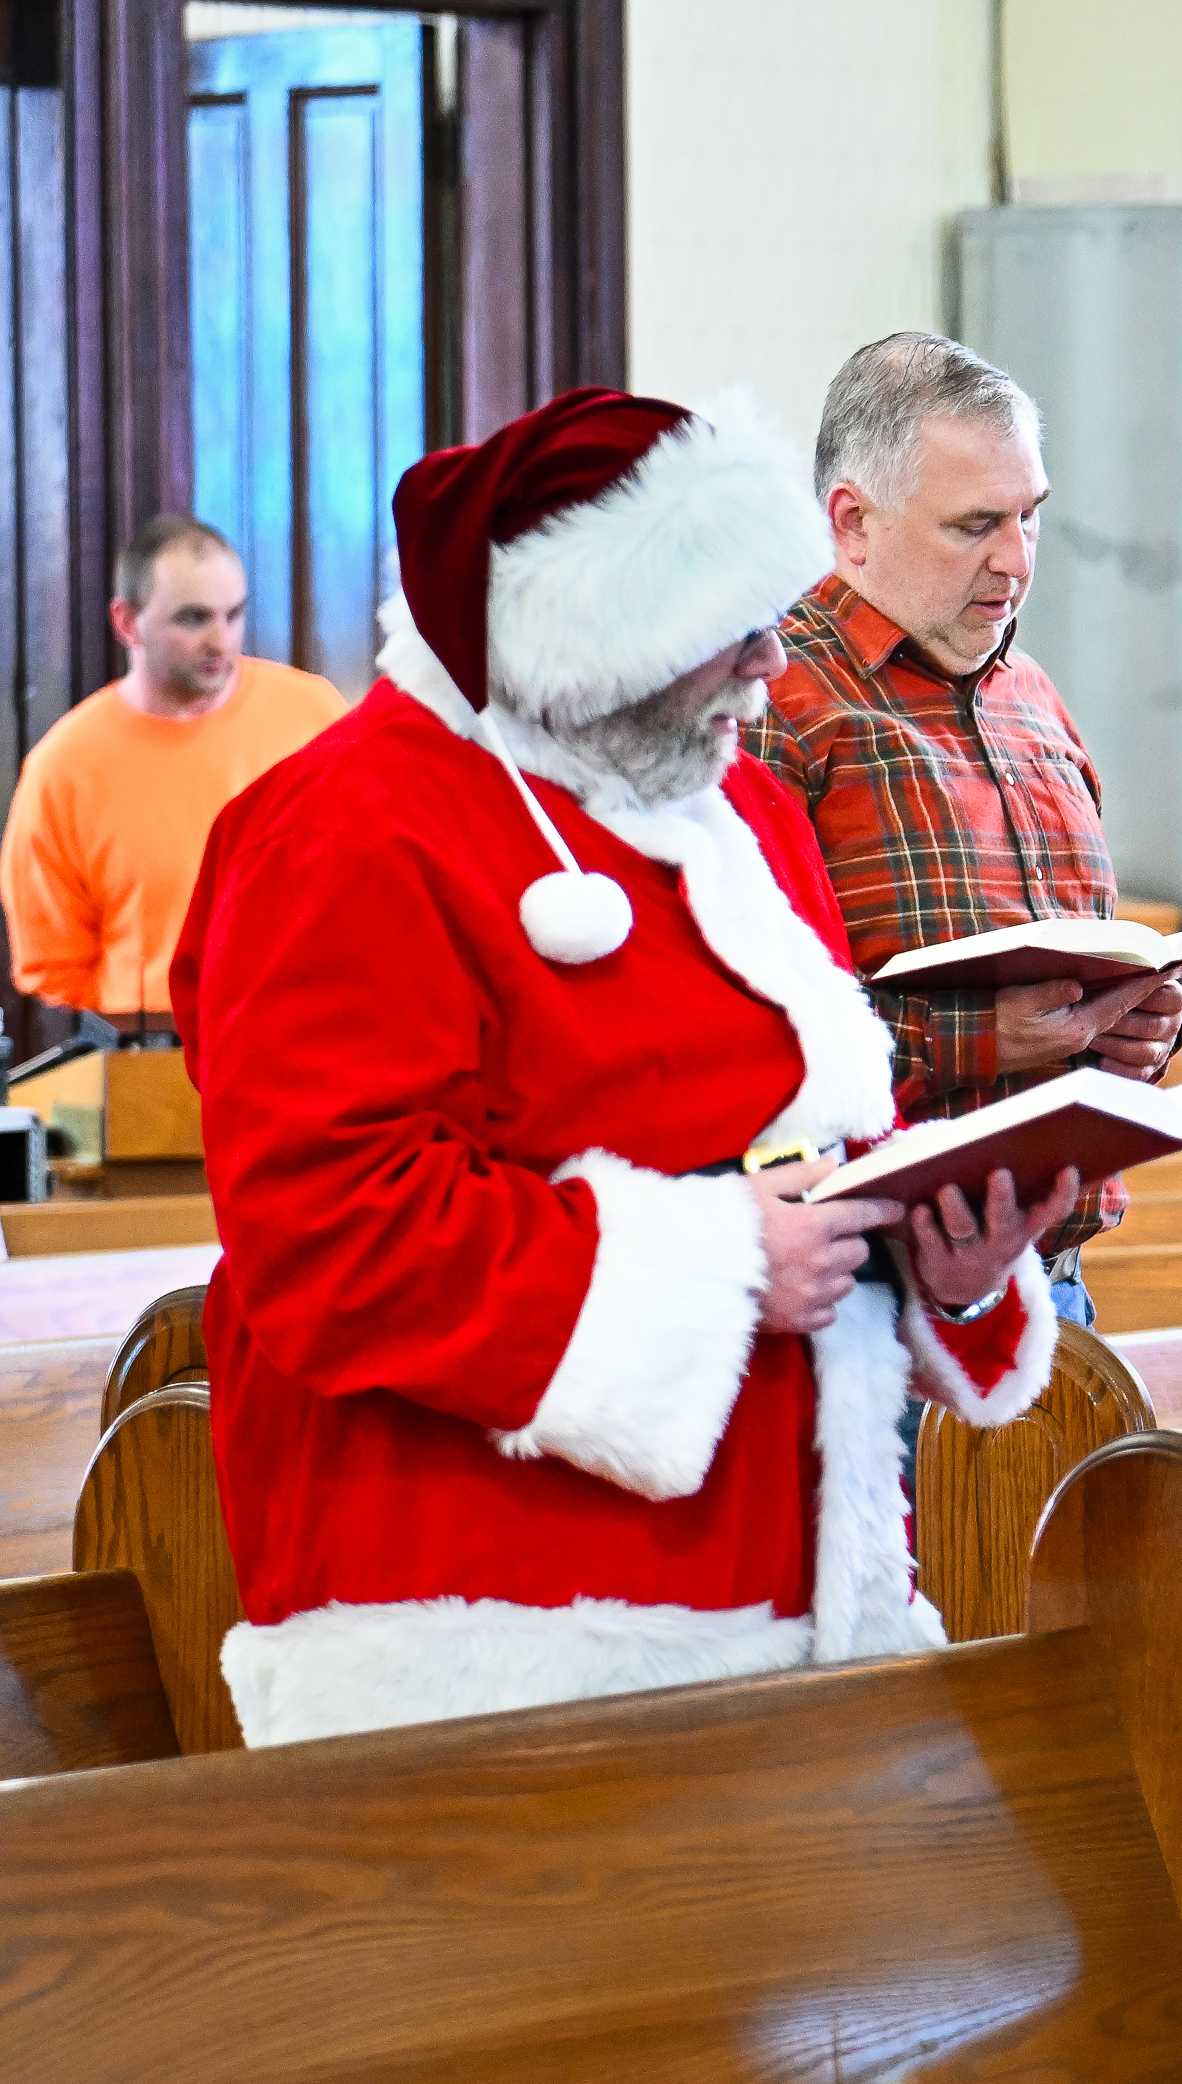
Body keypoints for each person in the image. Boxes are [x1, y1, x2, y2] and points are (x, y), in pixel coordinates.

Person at [173, 386, 1071, 1746]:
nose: (774, 663)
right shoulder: (344, 827)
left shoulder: (744, 817)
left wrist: (942, 1257)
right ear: (591, 641)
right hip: (501, 1629)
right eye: (730, 632)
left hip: (806, 1593)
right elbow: (327, 1227)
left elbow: (812, 1154)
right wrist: (721, 1262)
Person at [748, 332, 1179, 1328]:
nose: (1016, 560)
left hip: (1055, 1282)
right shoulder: (769, 702)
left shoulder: (1030, 695)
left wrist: (1141, 1027)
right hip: (861, 1301)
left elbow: (1089, 955)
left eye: (1031, 516)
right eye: (975, 524)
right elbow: (732, 1033)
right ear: (852, 523)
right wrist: (984, 1036)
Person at [3, 516, 344, 1027]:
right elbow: (53, 968)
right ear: (126, 623)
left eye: (234, 615)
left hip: (306, 1029)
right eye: (193, 618)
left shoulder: (315, 715)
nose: (220, 641)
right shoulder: (64, 766)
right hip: (148, 1054)